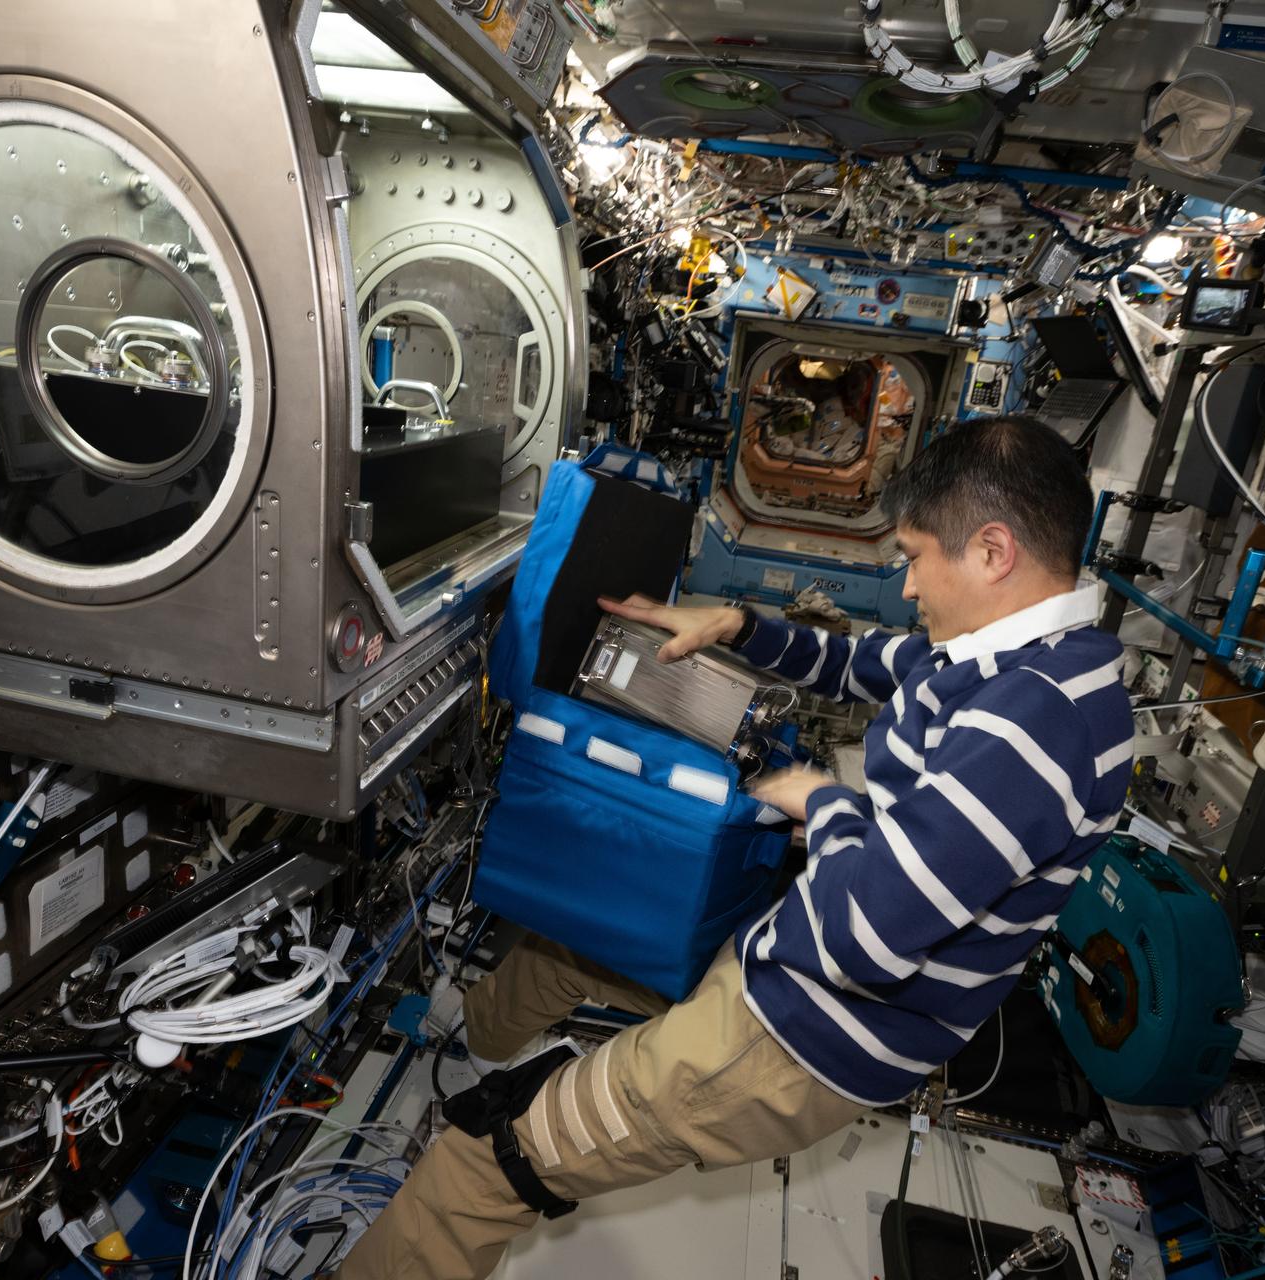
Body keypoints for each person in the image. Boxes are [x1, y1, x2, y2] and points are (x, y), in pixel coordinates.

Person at [339, 415, 1136, 1279]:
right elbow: (858, 665)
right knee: (577, 945)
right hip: (789, 956)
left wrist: (824, 803)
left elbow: (865, 937)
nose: (907, 586)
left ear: (993, 551)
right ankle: (462, 1037)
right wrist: (735, 623)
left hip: (799, 1033)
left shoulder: (1039, 721)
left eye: (913, 558)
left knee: (487, 1159)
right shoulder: (1003, 653)